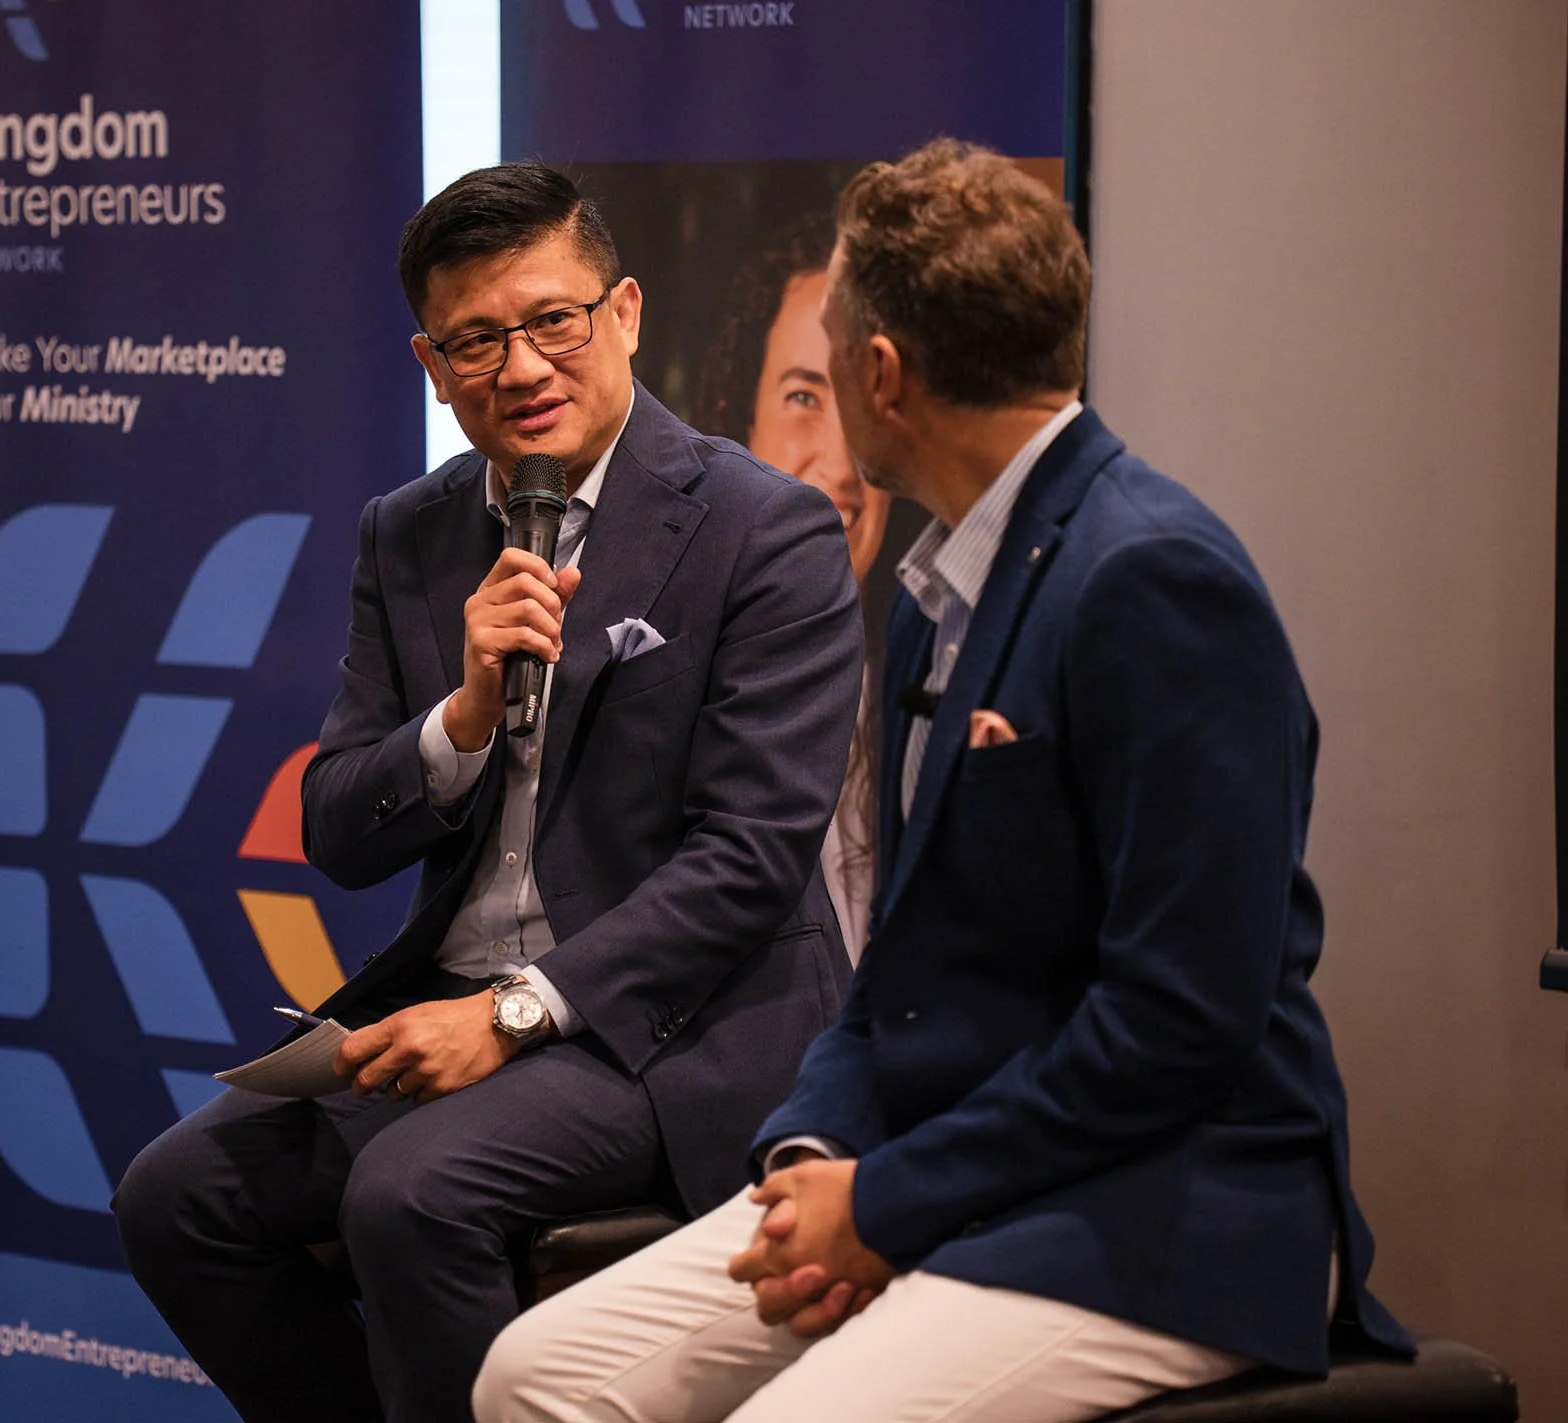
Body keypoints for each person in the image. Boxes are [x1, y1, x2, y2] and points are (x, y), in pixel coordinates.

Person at [473, 139, 1412, 1423]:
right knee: (535, 1376)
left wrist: (888, 1202)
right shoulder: (931, 596)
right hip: (948, 1172)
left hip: (1166, 1206)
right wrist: (814, 1156)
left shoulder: (1155, 581)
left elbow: (1181, 1024)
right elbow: (898, 978)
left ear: (880, 374)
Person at [111, 162, 863, 1423]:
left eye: (550, 321)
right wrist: (458, 718)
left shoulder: (761, 528)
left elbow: (747, 860)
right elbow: (338, 829)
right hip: (452, 1004)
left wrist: (515, 1013)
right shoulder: (409, 533)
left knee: (410, 1195)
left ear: (622, 313)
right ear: (430, 362)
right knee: (175, 1197)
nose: (519, 367)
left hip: (666, 1025)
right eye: (475, 340)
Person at [697, 215, 894, 951]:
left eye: (861, 403)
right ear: (737, 422)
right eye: (805, 399)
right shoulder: (667, 689)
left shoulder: (930, 680)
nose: (842, 466)